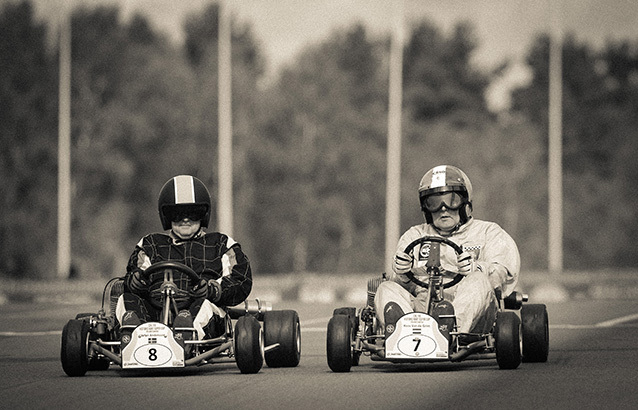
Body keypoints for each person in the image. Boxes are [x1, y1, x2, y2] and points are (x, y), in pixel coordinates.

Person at [374, 165, 520, 341]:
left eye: (451, 201)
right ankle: (402, 333)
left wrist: (477, 268)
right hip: (421, 309)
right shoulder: (415, 235)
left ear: (465, 203)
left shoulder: (488, 232)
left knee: (478, 280)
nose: (443, 209)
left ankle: (447, 330)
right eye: (434, 203)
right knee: (385, 288)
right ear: (426, 208)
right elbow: (404, 285)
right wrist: (403, 273)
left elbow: (503, 274)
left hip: (474, 315)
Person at [115, 175, 252, 344]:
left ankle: (184, 337)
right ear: (167, 216)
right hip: (155, 314)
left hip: (202, 309)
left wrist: (213, 290)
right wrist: (135, 281)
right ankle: (134, 337)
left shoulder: (221, 244)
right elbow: (135, 272)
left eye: (193, 213)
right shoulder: (150, 244)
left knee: (203, 306)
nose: (185, 219)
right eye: (178, 214)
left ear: (203, 214)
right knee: (126, 299)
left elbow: (240, 280)